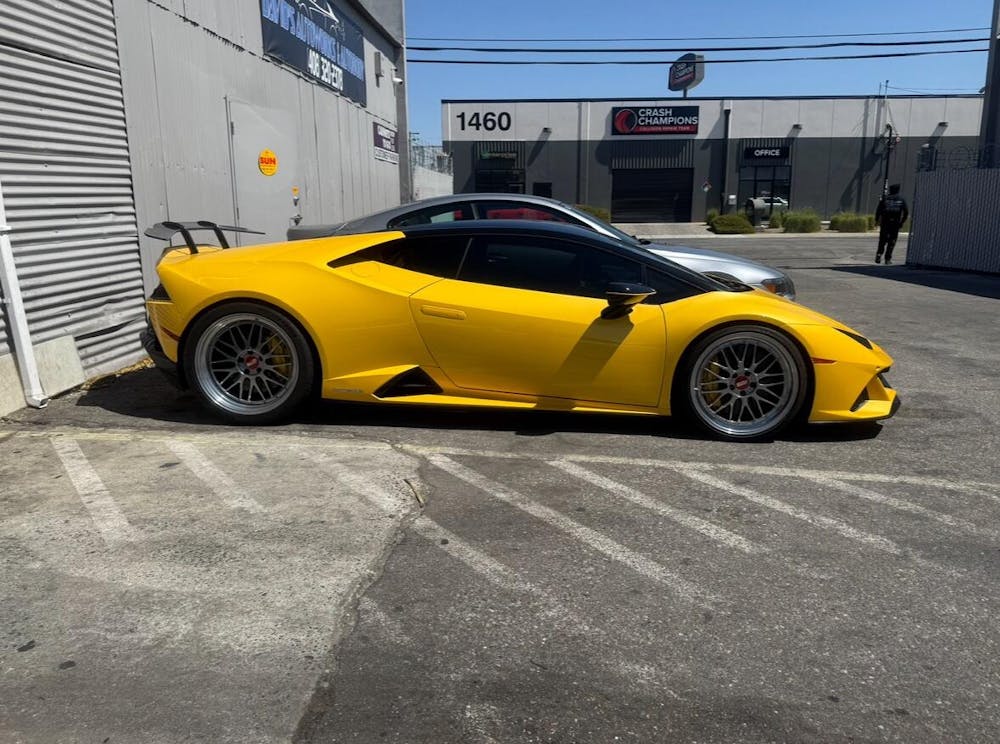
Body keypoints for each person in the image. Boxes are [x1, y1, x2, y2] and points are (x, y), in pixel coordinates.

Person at [874, 184, 909, 265]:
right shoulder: (901, 200)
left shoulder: (885, 199)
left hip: (885, 223)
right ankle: (887, 259)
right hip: (895, 223)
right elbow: (906, 212)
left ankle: (879, 254)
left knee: (882, 240)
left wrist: (877, 220)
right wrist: (902, 222)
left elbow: (878, 210)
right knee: (892, 241)